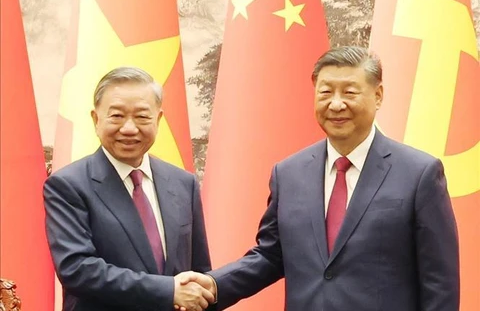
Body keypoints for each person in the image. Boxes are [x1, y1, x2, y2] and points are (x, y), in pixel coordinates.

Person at [179, 46, 460, 311]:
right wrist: (215, 285)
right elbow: (270, 255)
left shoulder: (419, 174)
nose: (336, 104)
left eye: (349, 92)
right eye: (325, 92)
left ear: (378, 95)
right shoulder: (288, 174)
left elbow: (440, 283)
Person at [44, 67, 214, 311]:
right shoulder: (68, 185)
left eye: (142, 117)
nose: (129, 128)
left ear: (158, 119)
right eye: (117, 116)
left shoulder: (183, 183)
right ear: (96, 119)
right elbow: (77, 269)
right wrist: (168, 291)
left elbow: (199, 270)